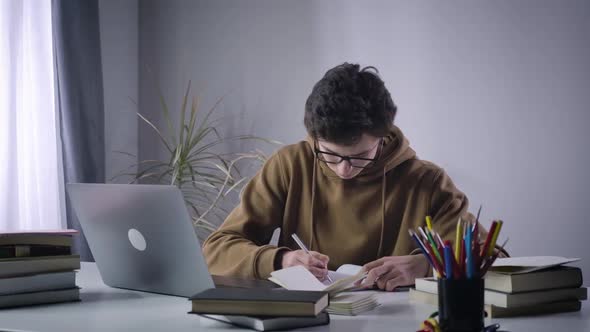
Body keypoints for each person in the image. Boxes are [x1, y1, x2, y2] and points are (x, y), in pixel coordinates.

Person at [203, 63, 486, 291]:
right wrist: (280, 259)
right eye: (329, 154)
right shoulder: (289, 165)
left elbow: (492, 259)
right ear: (314, 137)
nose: (343, 170)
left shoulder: (427, 181)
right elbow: (216, 251)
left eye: (360, 155)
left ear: (382, 136)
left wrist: (425, 266)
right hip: (307, 321)